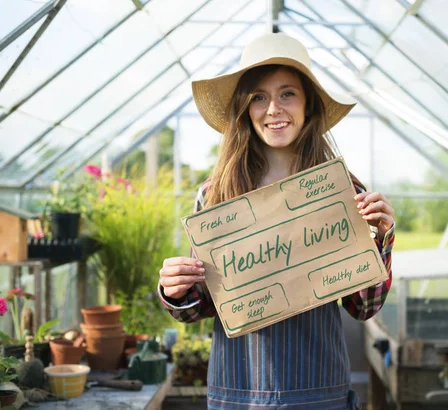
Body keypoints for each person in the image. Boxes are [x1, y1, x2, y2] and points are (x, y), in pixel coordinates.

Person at [158, 33, 395, 410]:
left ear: (308, 106)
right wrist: (176, 289)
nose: (273, 109)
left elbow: (362, 307)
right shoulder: (216, 194)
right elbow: (203, 304)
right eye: (259, 97)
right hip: (239, 390)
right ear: (244, 108)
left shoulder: (343, 190)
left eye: (287, 93)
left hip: (319, 390)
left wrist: (380, 241)